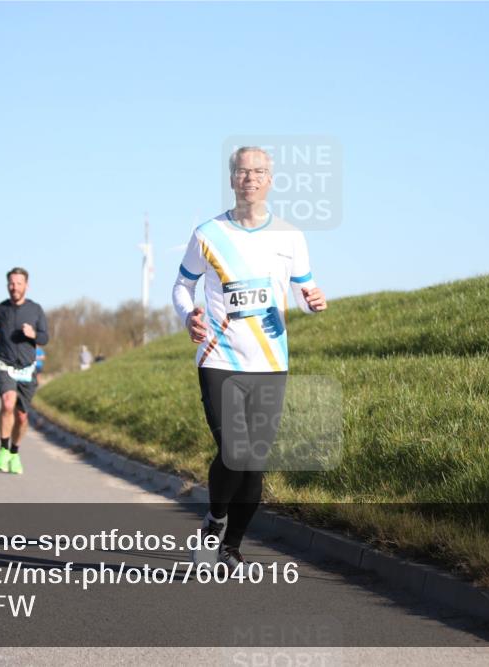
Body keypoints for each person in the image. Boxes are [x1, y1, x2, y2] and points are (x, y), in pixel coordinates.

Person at [172, 146, 327, 570]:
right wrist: (189, 317)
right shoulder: (207, 233)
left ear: (270, 179)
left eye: (259, 171)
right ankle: (214, 522)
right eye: (243, 171)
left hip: (270, 363)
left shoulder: (290, 237)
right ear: (232, 178)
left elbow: (306, 287)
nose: (251, 178)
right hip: (219, 357)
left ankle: (230, 546)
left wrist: (313, 299)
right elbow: (182, 287)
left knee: (255, 464)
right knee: (235, 450)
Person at [0, 267, 49, 475]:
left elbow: (45, 338)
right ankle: (3, 449)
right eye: (11, 283)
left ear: (26, 285)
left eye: (18, 283)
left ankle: (14, 452)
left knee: (22, 417)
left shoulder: (36, 310)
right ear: (7, 285)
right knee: (8, 402)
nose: (14, 287)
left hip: (27, 371)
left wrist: (33, 334)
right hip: (4, 365)